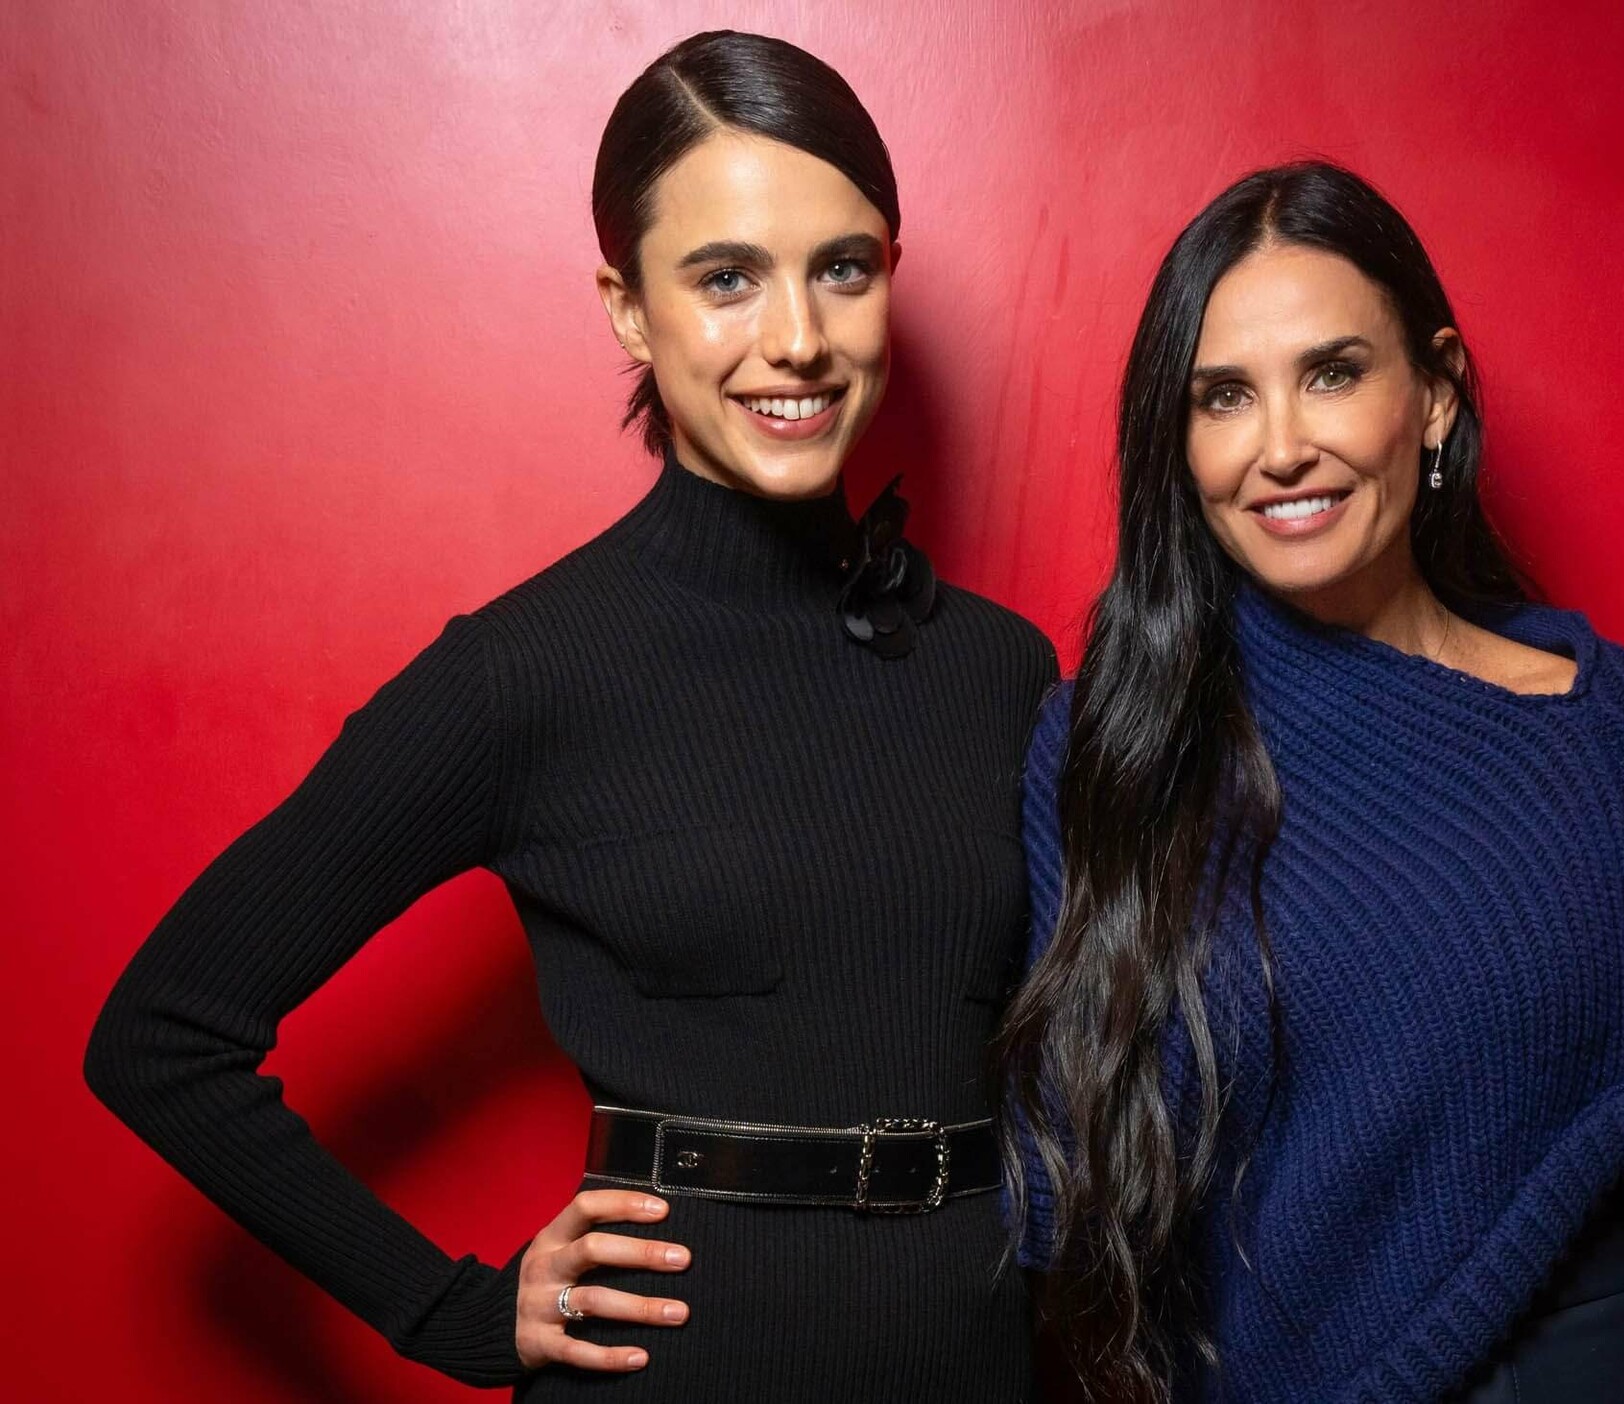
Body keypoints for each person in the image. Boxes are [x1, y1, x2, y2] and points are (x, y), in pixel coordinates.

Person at [84, 31, 1055, 1401]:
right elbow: (161, 1037)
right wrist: (451, 1313)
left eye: (842, 268)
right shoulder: (526, 673)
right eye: (726, 278)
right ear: (628, 309)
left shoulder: (1002, 671)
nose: (798, 337)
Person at [998, 161, 1624, 1403]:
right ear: (1181, 440)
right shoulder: (1111, 749)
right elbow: (1079, 1217)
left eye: (1333, 373)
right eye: (1225, 396)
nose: (1283, 448)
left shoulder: (1621, 731)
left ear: (1434, 393)